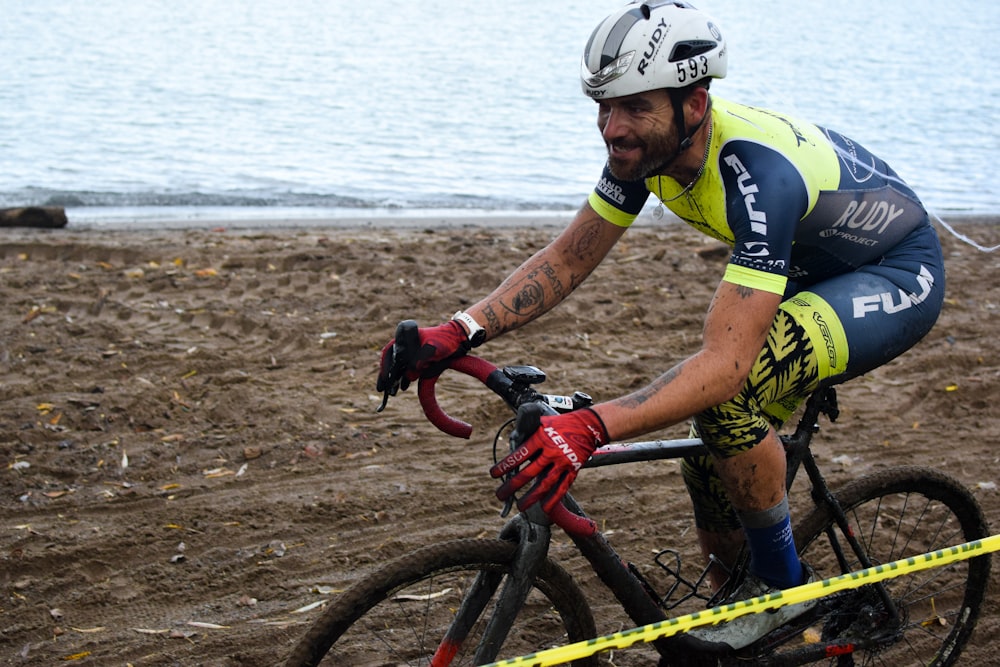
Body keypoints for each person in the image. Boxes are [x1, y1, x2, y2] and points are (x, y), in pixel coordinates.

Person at [377, 0, 944, 651]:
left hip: (892, 274)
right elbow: (568, 258)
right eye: (602, 107)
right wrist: (461, 330)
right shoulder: (650, 149)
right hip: (807, 271)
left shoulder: (756, 177)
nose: (610, 129)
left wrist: (591, 426)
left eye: (632, 107)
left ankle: (781, 592)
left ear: (694, 103)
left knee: (729, 397)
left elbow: (726, 365)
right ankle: (740, 609)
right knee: (709, 463)